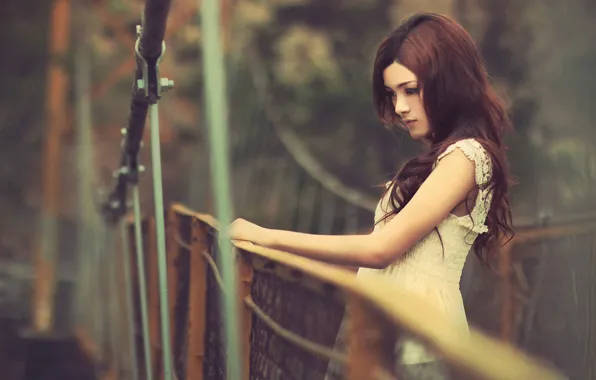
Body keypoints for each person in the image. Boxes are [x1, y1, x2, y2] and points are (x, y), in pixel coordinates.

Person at [230, 12, 514, 378]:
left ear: (449, 82)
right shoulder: (443, 157)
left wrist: (265, 236)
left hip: (417, 345)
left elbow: (381, 250)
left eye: (410, 90)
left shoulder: (466, 157)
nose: (399, 107)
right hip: (380, 334)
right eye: (392, 94)